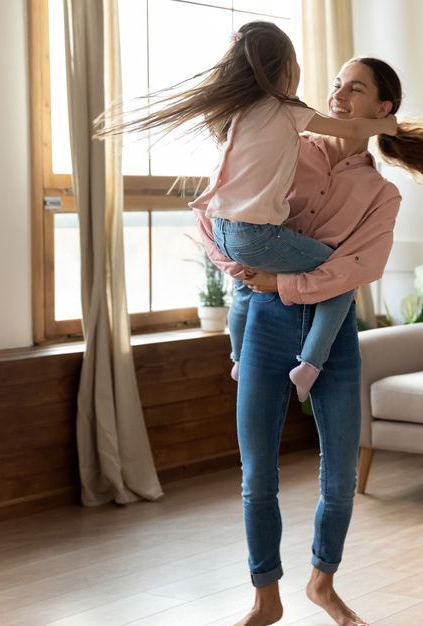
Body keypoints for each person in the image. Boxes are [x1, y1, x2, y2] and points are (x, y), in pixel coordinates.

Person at [197, 56, 423, 626]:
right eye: (335, 84)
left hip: (332, 338)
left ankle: (322, 582)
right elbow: (217, 217)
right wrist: (244, 273)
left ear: (382, 110)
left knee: (338, 478)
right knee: (258, 476)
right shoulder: (283, 143)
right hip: (262, 322)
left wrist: (280, 281)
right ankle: (265, 598)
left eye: (354, 88)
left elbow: (359, 268)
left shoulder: (380, 195)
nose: (337, 94)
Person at [98, 21, 397, 401]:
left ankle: (238, 356)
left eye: (353, 87)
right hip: (256, 234)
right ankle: (310, 365)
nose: (336, 91)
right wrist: (388, 124)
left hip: (223, 226)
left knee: (241, 289)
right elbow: (351, 130)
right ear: (286, 69)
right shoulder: (290, 112)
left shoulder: (243, 110)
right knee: (339, 281)